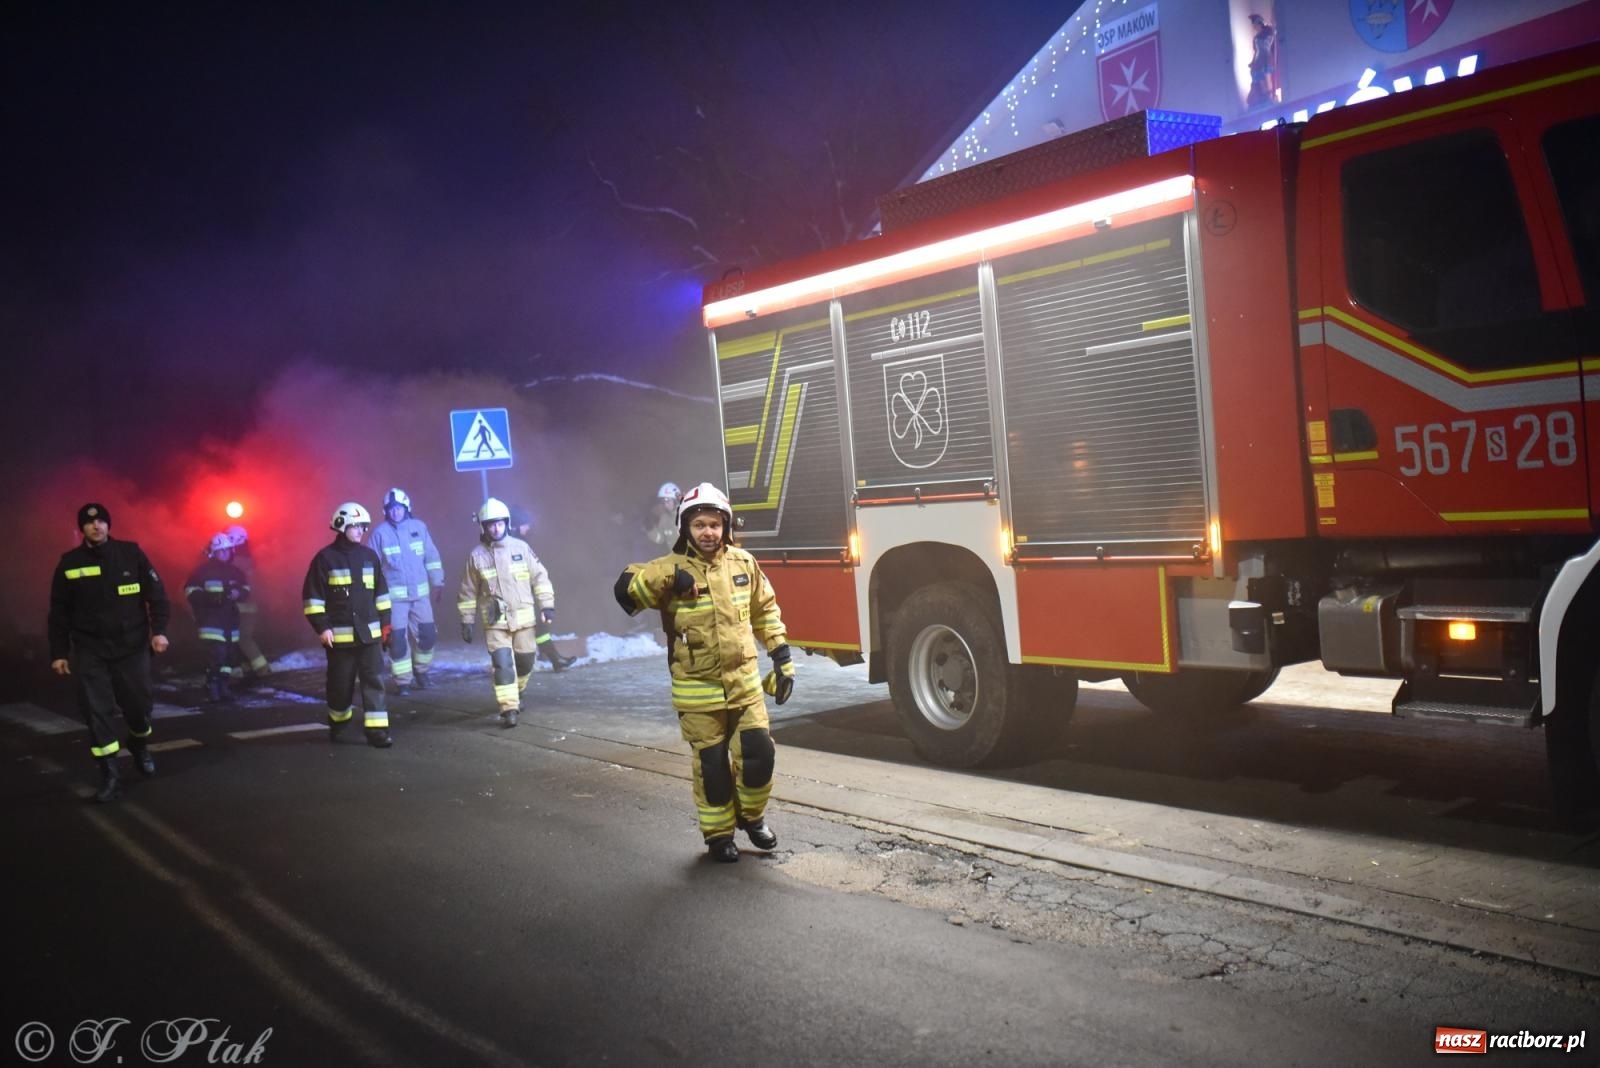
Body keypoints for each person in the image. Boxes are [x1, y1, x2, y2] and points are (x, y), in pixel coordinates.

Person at [612, 482, 793, 863]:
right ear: (685, 529)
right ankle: (719, 836)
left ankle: (752, 817)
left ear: (726, 526)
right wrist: (668, 580)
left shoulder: (744, 564)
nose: (708, 532)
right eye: (699, 525)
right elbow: (626, 589)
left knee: (760, 756)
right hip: (698, 691)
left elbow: (765, 610)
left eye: (715, 524)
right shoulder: (670, 568)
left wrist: (781, 657)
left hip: (744, 685)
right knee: (712, 768)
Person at [47, 502, 172, 802]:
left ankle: (139, 745)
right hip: (91, 650)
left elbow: (156, 595)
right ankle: (110, 774)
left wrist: (160, 631)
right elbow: (59, 612)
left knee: (139, 706)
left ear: (108, 525)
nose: (96, 526)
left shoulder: (131, 554)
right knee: (96, 711)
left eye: (102, 521)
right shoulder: (69, 563)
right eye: (90, 523)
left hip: (132, 646)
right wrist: (59, 652)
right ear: (82, 529)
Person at [457, 497, 569, 728]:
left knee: (526, 661)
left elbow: (540, 578)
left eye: (499, 523)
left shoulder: (521, 548)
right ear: (483, 527)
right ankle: (509, 708)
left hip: (524, 619)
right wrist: (466, 621)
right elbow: (467, 591)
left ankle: (517, 692)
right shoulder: (476, 556)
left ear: (506, 523)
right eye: (490, 524)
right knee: (502, 663)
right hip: (495, 620)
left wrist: (547, 605)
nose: (495, 528)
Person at [302, 502, 394, 748]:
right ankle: (339, 724)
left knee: (374, 682)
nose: (361, 531)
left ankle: (377, 732)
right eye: (356, 526)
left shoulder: (369, 557)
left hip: (370, 636)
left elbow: (382, 595)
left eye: (363, 526)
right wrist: (322, 627)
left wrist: (386, 626)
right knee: (340, 686)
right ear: (341, 526)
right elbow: (313, 599)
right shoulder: (325, 559)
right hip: (340, 640)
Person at [367, 487, 445, 694]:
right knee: (397, 641)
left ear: (407, 508)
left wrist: (437, 582)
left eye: (399, 508)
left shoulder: (419, 528)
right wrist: (372, 596)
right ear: (385, 511)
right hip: (394, 601)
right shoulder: (380, 534)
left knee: (428, 636)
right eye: (391, 509)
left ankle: (422, 672)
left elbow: (432, 557)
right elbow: (371, 566)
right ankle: (403, 682)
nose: (395, 512)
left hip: (420, 597)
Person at [184, 532, 250, 703]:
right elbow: (190, 591)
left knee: (228, 657)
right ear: (213, 553)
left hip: (230, 621)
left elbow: (246, 589)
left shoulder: (235, 571)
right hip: (210, 620)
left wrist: (239, 593)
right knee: (217, 656)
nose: (224, 554)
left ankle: (224, 686)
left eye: (227, 550)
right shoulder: (203, 571)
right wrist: (210, 599)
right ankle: (212, 686)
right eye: (221, 551)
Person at [223, 523, 272, 680]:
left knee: (243, 637)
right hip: (248, 604)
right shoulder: (247, 559)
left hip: (242, 605)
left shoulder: (237, 561)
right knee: (240, 637)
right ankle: (248, 667)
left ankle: (262, 669)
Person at [642, 481, 682, 554]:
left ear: (675, 500)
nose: (665, 504)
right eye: (663, 501)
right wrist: (651, 529)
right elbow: (660, 539)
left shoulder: (686, 515)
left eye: (667, 501)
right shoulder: (664, 518)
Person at [1247, 13, 1277, 108]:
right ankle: (1265, 98)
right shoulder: (1255, 38)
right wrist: (1252, 62)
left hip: (1266, 58)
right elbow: (1256, 51)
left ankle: (1270, 98)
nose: (1254, 26)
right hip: (1258, 60)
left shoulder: (1268, 32)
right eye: (1253, 25)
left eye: (1256, 23)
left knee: (1266, 77)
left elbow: (1274, 32)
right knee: (1259, 79)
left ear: (1259, 23)